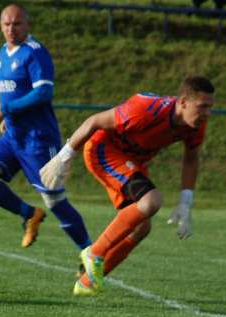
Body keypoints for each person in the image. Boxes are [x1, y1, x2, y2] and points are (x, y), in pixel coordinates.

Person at [40, 76, 215, 296]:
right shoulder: (145, 109)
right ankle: (95, 253)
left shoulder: (195, 124)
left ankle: (86, 282)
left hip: (132, 161)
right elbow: (94, 121)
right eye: (202, 107)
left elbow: (191, 158)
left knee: (142, 228)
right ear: (182, 102)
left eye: (210, 107)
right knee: (151, 201)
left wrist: (186, 202)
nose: (207, 113)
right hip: (103, 150)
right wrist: (62, 158)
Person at [0, 3, 91, 251]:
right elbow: (13, 93)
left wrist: (7, 109)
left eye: (17, 24)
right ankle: (28, 214)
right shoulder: (4, 52)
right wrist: (6, 117)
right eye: (6, 24)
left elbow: (44, 92)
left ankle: (89, 254)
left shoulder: (35, 52)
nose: (11, 29)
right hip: (14, 135)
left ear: (27, 25)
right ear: (0, 26)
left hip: (38, 139)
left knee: (55, 201)